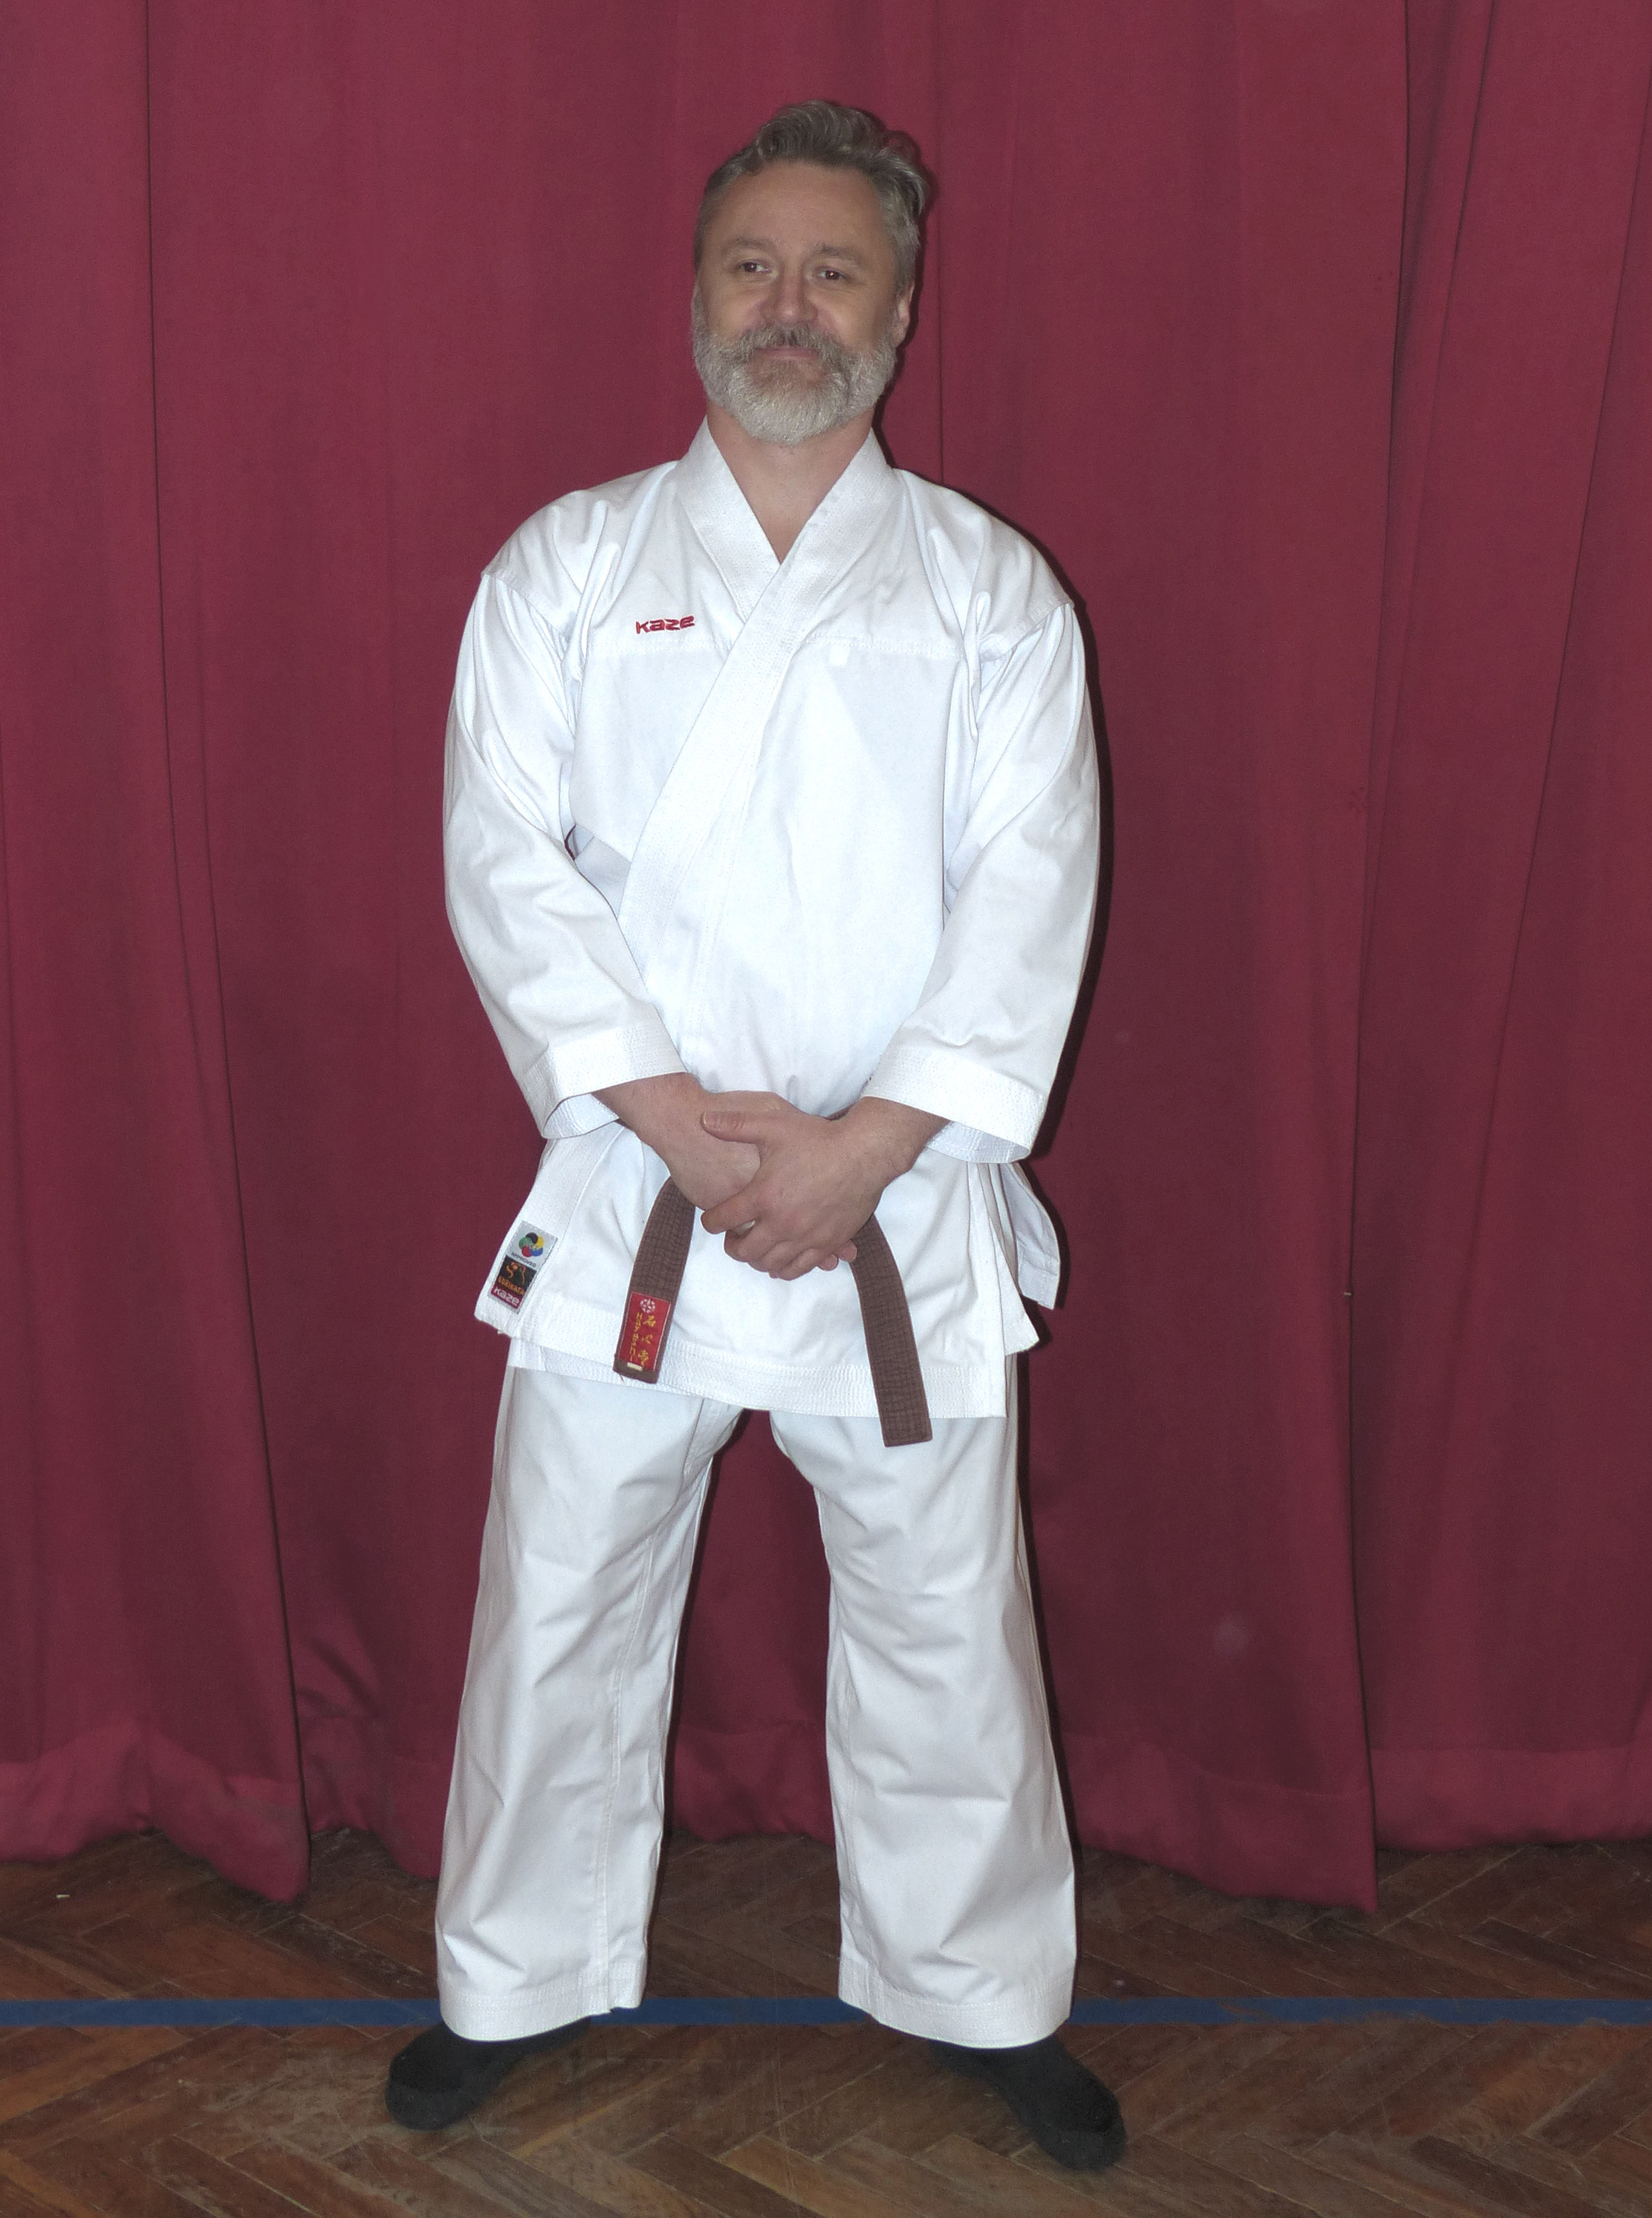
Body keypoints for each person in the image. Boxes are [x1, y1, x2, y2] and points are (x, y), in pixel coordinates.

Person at [387, 100, 1122, 2172]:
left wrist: (865, 1144)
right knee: (562, 1593)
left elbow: (1032, 885)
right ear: (697, 294)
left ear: (900, 309)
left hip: (897, 1194)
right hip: (644, 1183)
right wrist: (675, 1123)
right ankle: (513, 1980)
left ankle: (978, 1993)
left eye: (834, 271)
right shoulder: (568, 566)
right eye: (752, 266)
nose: (788, 307)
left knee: (942, 1618)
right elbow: (502, 861)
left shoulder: (990, 594)